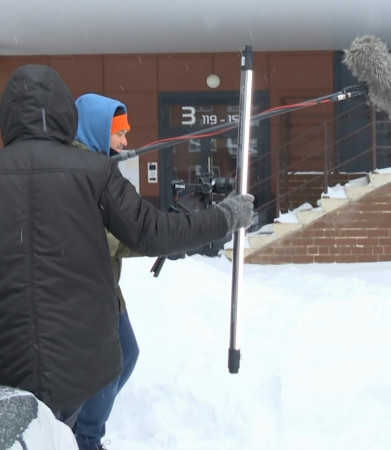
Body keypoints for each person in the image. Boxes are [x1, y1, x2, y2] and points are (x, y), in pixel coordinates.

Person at [0, 64, 253, 428]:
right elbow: (152, 231)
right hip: (77, 361)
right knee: (61, 432)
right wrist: (223, 217)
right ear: (63, 114)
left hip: (9, 359)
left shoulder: (91, 171)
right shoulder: (93, 172)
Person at [71, 93, 141, 450]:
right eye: (118, 133)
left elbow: (122, 233)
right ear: (98, 130)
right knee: (110, 366)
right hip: (87, 293)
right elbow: (100, 236)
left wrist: (157, 238)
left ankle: (82, 430)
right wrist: (146, 234)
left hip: (108, 289)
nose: (125, 141)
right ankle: (86, 438)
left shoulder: (102, 167)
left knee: (126, 356)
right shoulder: (79, 171)